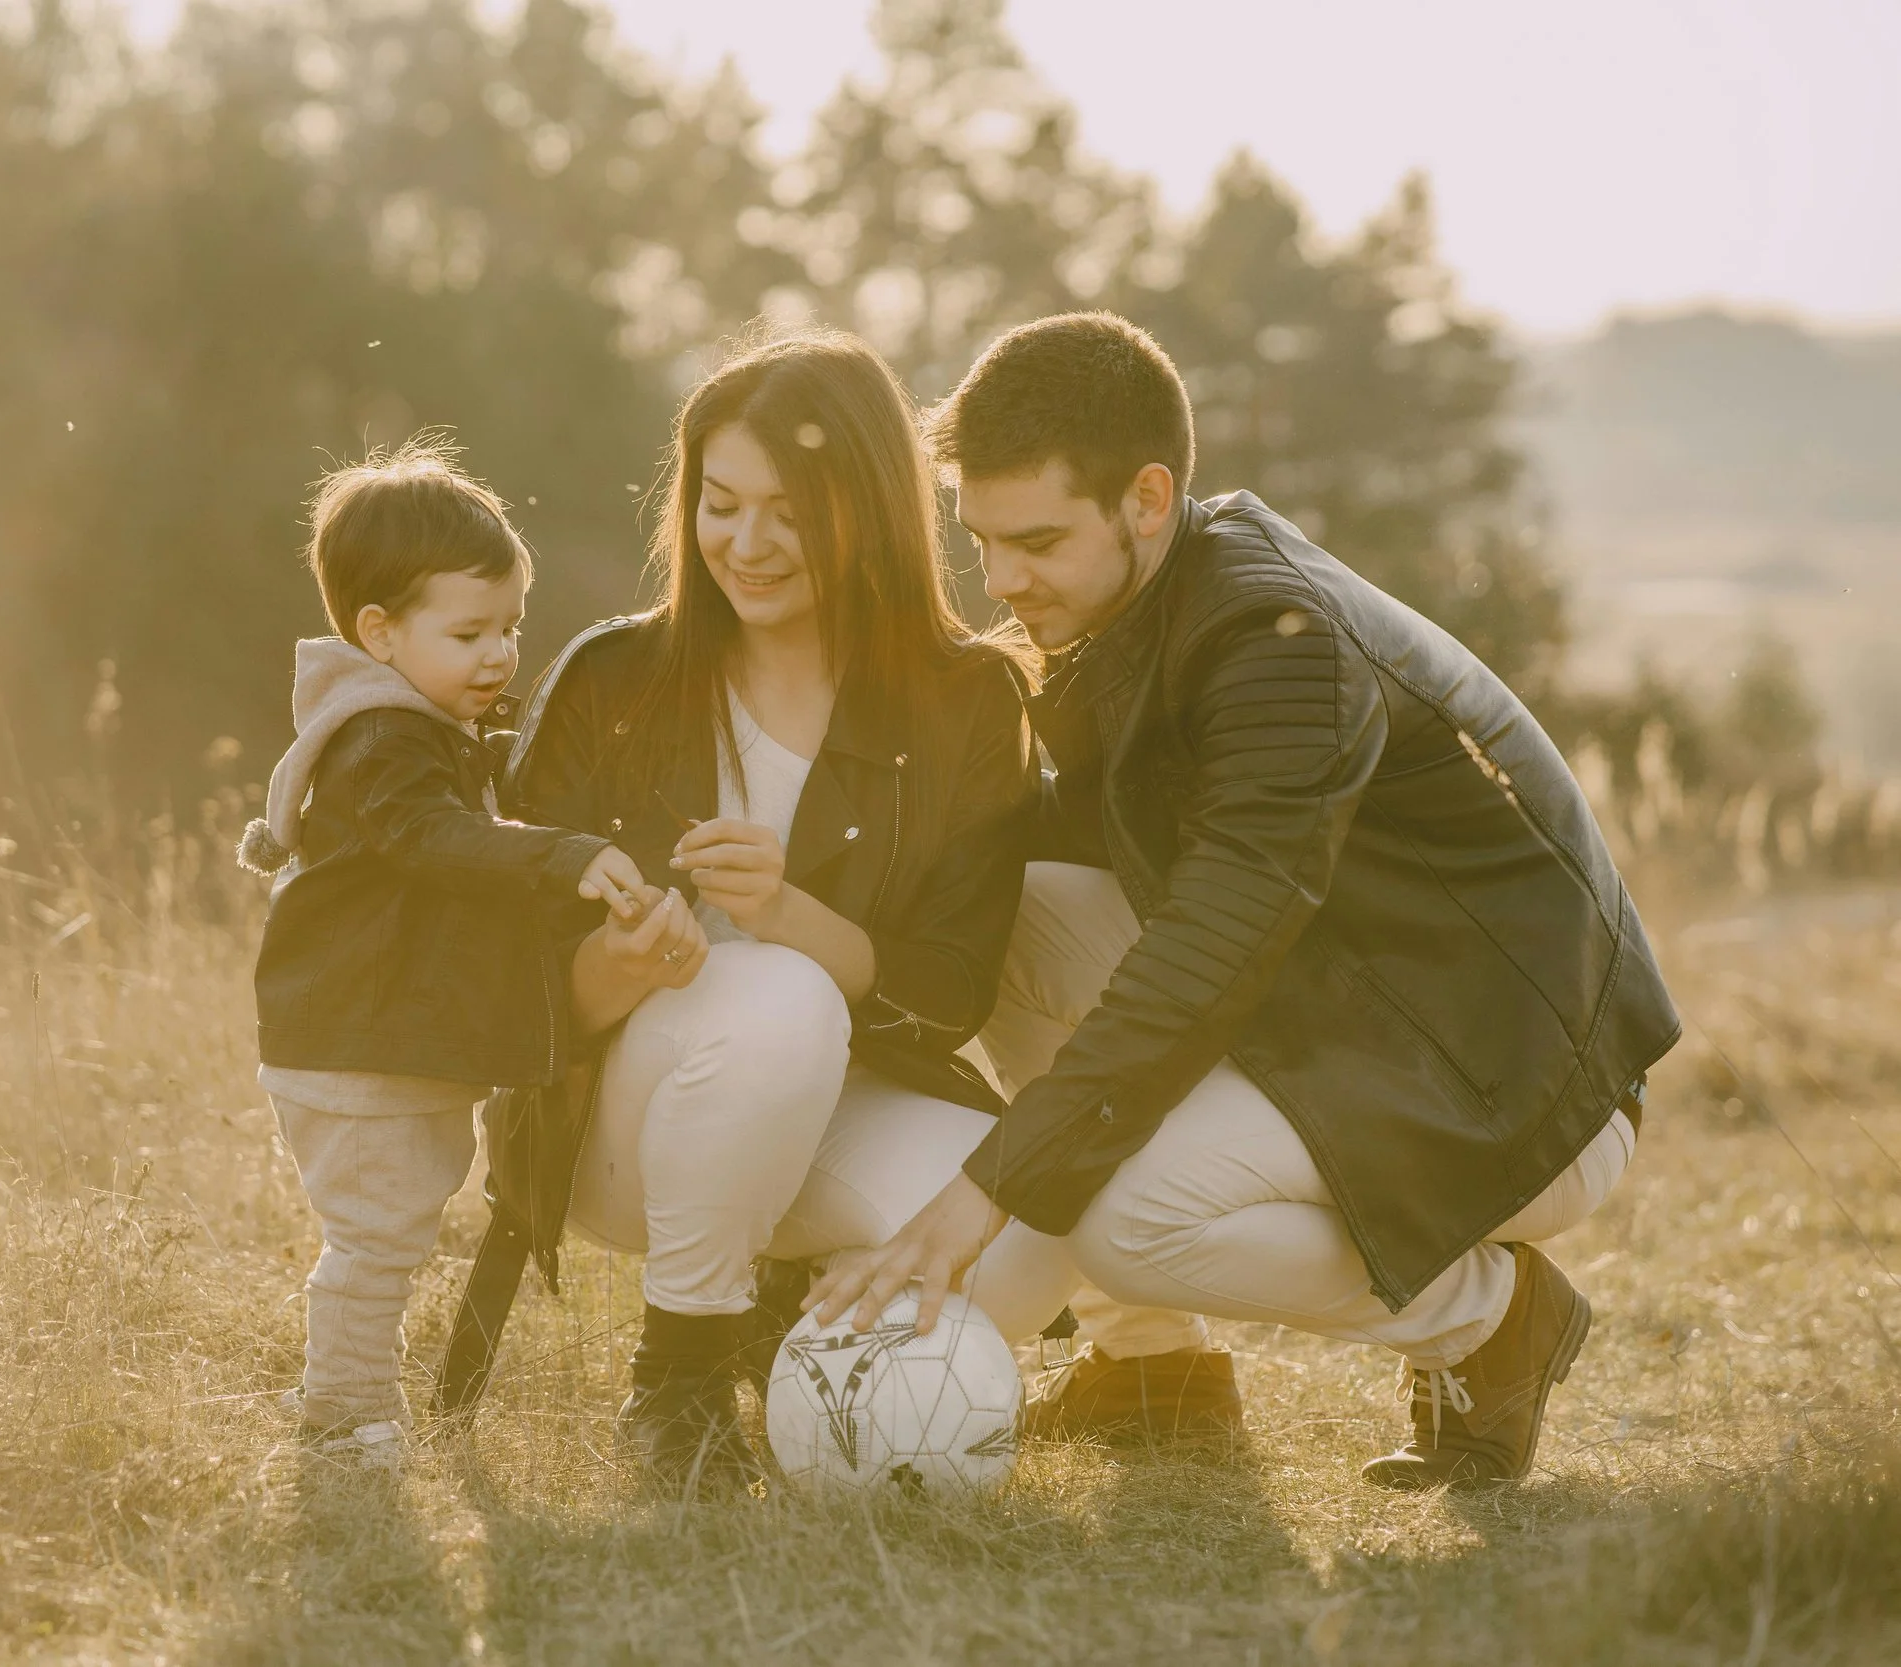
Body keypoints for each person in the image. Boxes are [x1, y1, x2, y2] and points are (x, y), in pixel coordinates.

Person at [809, 312, 1680, 1490]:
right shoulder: (1133, 607)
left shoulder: (1278, 642)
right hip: (1338, 1012)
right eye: (983, 541)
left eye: (1039, 540)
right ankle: (1150, 1370)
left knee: (1127, 1217)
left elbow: (1209, 947)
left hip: (1505, 1083)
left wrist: (982, 1193)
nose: (1004, 581)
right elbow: (1047, 858)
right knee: (1004, 913)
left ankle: (1490, 1317)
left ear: (1149, 498)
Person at [440, 330, 1070, 1495]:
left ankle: (779, 1315)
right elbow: (495, 975)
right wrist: (621, 969)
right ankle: (674, 1378)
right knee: (772, 1003)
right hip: (619, 1130)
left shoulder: (966, 698)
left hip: (839, 1093)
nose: (745, 543)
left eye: (789, 511)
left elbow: (945, 988)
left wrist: (784, 905)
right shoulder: (614, 679)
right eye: (720, 505)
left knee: (1027, 1243)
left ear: (872, 511)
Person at [240, 443, 648, 1467]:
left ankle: (348, 1402)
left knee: (392, 1230)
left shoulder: (417, 724)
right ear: (378, 632)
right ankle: (343, 1417)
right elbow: (433, 838)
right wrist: (565, 855)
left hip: (372, 1033)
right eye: (468, 631)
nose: (500, 653)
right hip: (353, 1038)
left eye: (510, 625)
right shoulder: (386, 740)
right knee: (376, 1240)